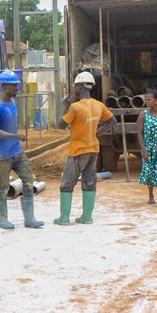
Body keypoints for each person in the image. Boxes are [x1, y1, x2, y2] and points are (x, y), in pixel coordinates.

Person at [54, 70, 116, 225]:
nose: (74, 89)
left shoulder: (75, 107)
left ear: (81, 87)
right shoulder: (99, 105)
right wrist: (97, 133)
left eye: (76, 86)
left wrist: (63, 106)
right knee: (89, 182)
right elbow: (112, 121)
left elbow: (61, 125)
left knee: (67, 184)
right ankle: (87, 217)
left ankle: (64, 218)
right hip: (93, 149)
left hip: (77, 150)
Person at [0, 70, 44, 229]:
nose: (16, 88)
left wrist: (15, 139)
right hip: (2, 154)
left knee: (28, 181)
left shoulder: (12, 103)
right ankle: (3, 218)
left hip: (16, 151)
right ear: (4, 86)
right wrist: (15, 136)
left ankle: (29, 218)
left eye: (16, 85)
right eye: (13, 85)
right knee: (4, 186)